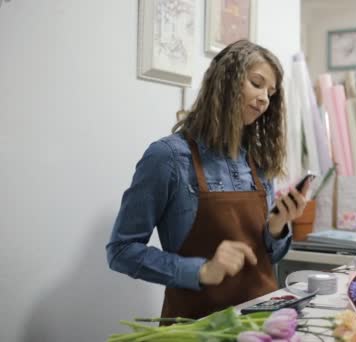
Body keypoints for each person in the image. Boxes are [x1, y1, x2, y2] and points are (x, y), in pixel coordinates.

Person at [106, 40, 311, 321]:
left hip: (263, 324)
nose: (264, 98)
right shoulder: (167, 157)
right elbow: (121, 251)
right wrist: (201, 270)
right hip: (196, 327)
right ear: (225, 82)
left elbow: (268, 257)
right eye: (256, 83)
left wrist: (277, 227)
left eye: (271, 92)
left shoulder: (257, 163)